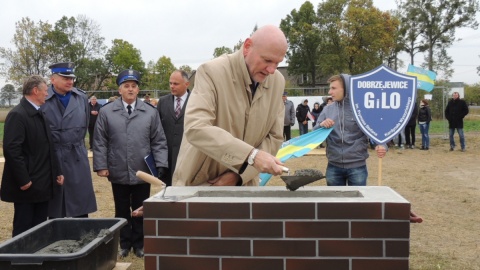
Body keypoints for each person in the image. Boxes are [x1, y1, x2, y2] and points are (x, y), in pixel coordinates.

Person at [172, 25, 288, 187]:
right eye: (267, 60)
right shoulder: (211, 72)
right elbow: (196, 127)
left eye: (277, 63)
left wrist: (239, 175)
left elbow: (274, 137)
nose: (272, 70)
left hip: (244, 186)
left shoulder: (277, 82)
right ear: (247, 47)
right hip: (201, 185)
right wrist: (251, 156)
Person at [93, 69, 168, 258]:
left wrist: (160, 164)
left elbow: (158, 140)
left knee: (141, 208)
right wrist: (101, 165)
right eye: (126, 86)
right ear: (119, 90)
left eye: (134, 86)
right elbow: (100, 140)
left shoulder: (150, 112)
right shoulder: (107, 112)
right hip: (117, 168)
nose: (130, 90)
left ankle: (139, 244)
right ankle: (124, 243)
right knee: (121, 209)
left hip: (142, 171)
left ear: (138, 90)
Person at [1, 75, 64, 237]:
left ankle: (38, 260)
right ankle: (20, 261)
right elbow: (12, 149)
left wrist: (57, 172)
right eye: (45, 90)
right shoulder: (18, 115)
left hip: (42, 183)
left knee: (40, 227)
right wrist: (23, 180)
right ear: (35, 91)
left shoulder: (39, 113)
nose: (47, 94)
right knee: (24, 228)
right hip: (28, 186)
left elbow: (49, 146)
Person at [41, 62, 97, 218]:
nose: (70, 81)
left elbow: (85, 124)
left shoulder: (80, 97)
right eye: (65, 78)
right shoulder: (43, 98)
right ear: (53, 79)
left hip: (76, 156)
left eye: (71, 78)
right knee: (55, 207)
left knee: (80, 206)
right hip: (53, 157)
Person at [314, 74, 387, 186]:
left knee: (357, 203)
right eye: (330, 88)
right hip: (333, 166)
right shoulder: (327, 109)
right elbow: (314, 134)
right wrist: (321, 125)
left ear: (346, 89)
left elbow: (375, 131)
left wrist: (382, 145)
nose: (329, 92)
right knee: (334, 202)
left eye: (333, 88)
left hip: (357, 167)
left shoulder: (361, 109)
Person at [157, 70, 191, 186]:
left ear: (187, 84)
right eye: (170, 83)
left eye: (175, 84)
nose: (172, 86)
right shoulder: (162, 102)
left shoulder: (197, 101)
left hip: (189, 158)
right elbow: (158, 130)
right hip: (167, 160)